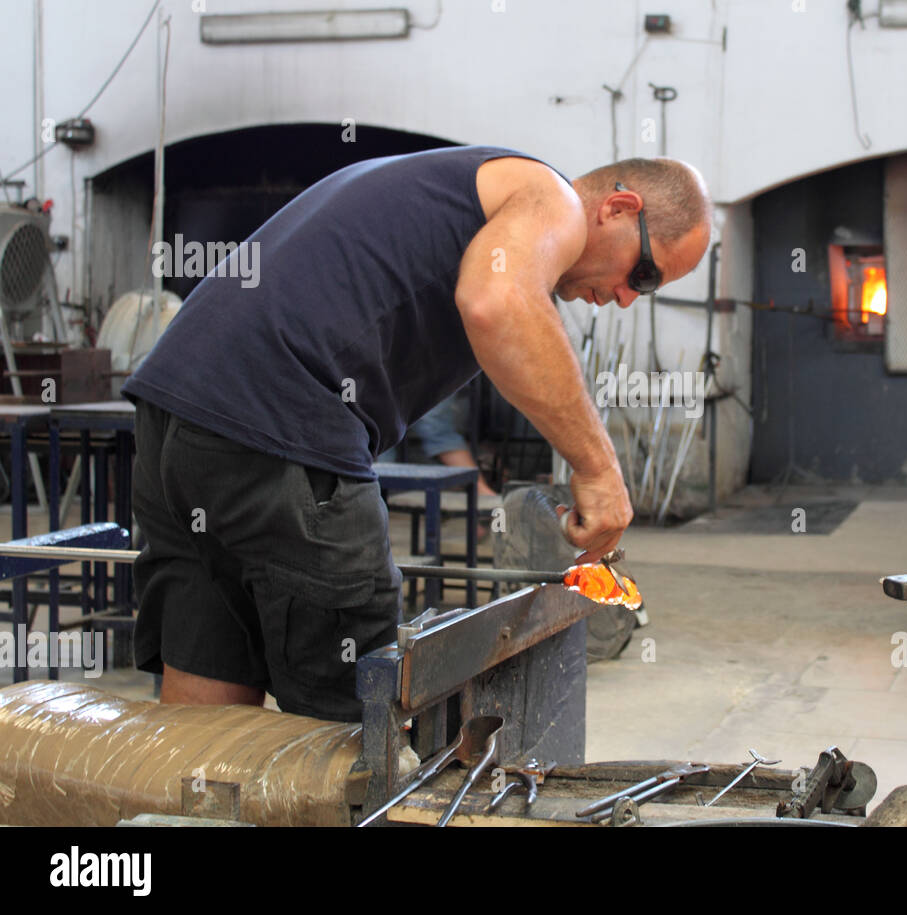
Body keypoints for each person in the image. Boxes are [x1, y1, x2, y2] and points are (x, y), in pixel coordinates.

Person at [122, 147, 712, 720]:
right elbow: (496, 301)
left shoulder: (459, 187)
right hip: (279, 420)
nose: (628, 298)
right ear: (619, 207)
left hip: (176, 415)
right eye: (646, 273)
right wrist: (599, 470)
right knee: (358, 724)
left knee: (205, 689)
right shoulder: (548, 196)